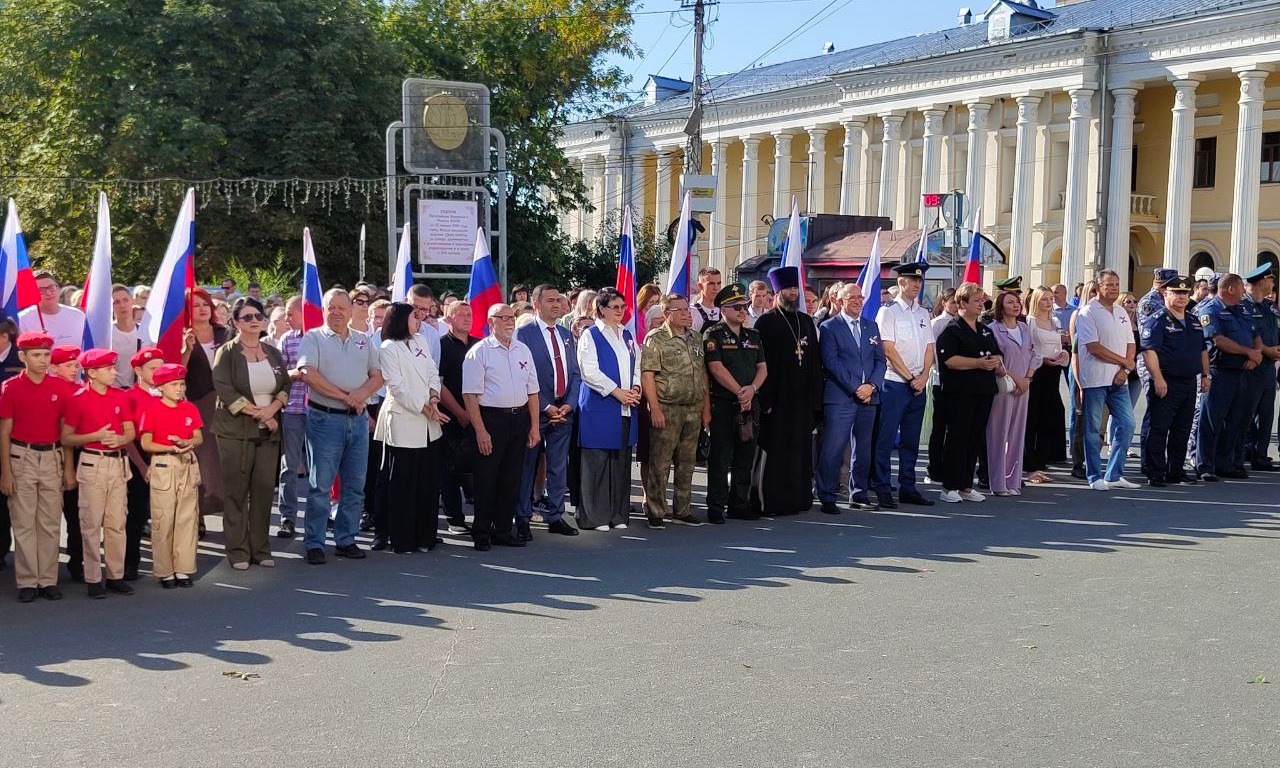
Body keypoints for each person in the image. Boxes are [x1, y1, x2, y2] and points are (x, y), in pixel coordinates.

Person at [297, 289, 385, 564]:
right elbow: (307, 374)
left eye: (341, 308)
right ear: (324, 310)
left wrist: (359, 396)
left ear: (350, 311)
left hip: (357, 420)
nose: (336, 312)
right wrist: (346, 396)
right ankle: (315, 542)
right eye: (330, 308)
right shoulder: (313, 338)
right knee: (321, 485)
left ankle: (346, 539)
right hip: (325, 418)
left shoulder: (363, 340)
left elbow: (378, 375)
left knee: (355, 485)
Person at [212, 298, 290, 570]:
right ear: (235, 323)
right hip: (235, 433)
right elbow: (225, 390)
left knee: (264, 490)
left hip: (269, 433)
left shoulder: (272, 351)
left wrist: (273, 410)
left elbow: (285, 386)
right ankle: (237, 550)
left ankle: (261, 548)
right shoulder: (226, 352)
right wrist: (261, 414)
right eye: (247, 317)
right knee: (236, 492)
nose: (254, 320)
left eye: (258, 315)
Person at [0, 333, 74, 601]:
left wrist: (68, 469)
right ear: (23, 357)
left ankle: (48, 579)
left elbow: (65, 430)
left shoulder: (60, 387)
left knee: (50, 522)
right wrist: (6, 472)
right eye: (37, 355)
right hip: (22, 457)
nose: (43, 360)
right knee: (23, 521)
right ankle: (28, 582)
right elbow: (4, 432)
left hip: (52, 456)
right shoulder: (11, 388)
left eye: (46, 355)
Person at [462, 303, 540, 550]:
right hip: (491, 420)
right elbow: (470, 395)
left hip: (519, 420)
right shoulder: (479, 352)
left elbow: (533, 392)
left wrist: (534, 426)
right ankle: (482, 531)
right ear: (490, 321)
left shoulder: (523, 350)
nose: (509, 322)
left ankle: (504, 529)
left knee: (511, 477)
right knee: (487, 478)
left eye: (511, 317)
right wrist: (480, 430)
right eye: (502, 318)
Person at [375, 302, 449, 553]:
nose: (418, 319)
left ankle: (425, 536)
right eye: (413, 316)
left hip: (430, 419)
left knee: (427, 482)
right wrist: (424, 407)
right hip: (405, 419)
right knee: (403, 483)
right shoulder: (388, 347)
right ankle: (402, 538)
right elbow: (396, 386)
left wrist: (434, 396)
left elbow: (431, 371)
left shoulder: (420, 341)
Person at [63, 349, 136, 599]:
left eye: (113, 368)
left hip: (118, 463)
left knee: (117, 523)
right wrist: (95, 437)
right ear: (91, 373)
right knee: (91, 523)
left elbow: (130, 431)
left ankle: (115, 576)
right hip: (93, 462)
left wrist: (121, 438)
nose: (114, 372)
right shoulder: (78, 398)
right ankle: (93, 578)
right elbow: (66, 437)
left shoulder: (121, 396)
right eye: (108, 369)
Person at [751, 266, 823, 516]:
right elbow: (760, 363)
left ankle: (799, 499)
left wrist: (816, 400)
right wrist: (766, 398)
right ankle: (770, 501)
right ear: (777, 292)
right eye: (789, 289)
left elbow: (814, 362)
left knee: (800, 451)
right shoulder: (765, 323)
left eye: (796, 288)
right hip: (777, 399)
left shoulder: (805, 321)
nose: (794, 293)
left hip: (802, 400)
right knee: (775, 450)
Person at [515, 285, 581, 539]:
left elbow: (575, 373)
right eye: (550, 300)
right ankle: (522, 517)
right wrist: (545, 405)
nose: (556, 304)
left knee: (557, 467)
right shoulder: (524, 334)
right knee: (527, 467)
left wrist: (569, 404)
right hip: (535, 410)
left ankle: (555, 515)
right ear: (537, 304)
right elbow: (522, 375)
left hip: (563, 411)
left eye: (559, 300)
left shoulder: (566, 334)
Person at [641, 293, 709, 528]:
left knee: (687, 461)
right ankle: (656, 511)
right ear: (666, 313)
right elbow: (648, 375)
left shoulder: (696, 338)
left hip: (692, 406)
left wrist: (705, 409)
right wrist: (655, 408)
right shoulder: (655, 338)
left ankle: (682, 509)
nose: (685, 313)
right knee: (660, 461)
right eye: (679, 310)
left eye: (686, 309)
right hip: (667, 407)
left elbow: (702, 374)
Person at [575, 288, 640, 531]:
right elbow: (589, 371)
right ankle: (595, 516)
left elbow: (637, 365)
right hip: (601, 405)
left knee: (621, 461)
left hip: (625, 405)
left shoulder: (627, 335)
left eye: (623, 307)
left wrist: (635, 387)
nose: (620, 311)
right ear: (601, 309)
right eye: (615, 307)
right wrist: (617, 391)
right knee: (598, 462)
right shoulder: (590, 335)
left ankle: (618, 514)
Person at [871, 262, 936, 508]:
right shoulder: (888, 311)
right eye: (912, 281)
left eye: (919, 281)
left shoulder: (922, 313)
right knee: (886, 439)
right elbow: (887, 348)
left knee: (911, 439)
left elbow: (929, 347)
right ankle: (883, 488)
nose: (917, 285)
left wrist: (923, 376)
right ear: (901, 283)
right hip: (896, 383)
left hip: (918, 384)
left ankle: (908, 486)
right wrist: (910, 377)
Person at [816, 283, 885, 513]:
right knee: (833, 448)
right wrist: (857, 388)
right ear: (840, 300)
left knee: (863, 450)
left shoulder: (871, 326)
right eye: (852, 297)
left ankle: (859, 494)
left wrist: (872, 386)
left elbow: (880, 361)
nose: (857, 301)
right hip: (841, 397)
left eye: (860, 297)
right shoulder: (829, 327)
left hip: (869, 398)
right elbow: (832, 363)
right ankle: (827, 495)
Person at [934, 282, 1003, 503]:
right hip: (959, 392)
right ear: (962, 303)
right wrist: (978, 363)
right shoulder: (952, 330)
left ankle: (965, 483)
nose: (981, 305)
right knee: (957, 437)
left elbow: (997, 353)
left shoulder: (985, 329)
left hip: (983, 390)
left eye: (981, 301)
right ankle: (949, 486)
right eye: (976, 301)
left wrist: (995, 361)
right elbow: (949, 360)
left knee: (975, 437)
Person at [703, 283, 767, 523]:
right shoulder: (714, 334)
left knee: (745, 455)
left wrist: (751, 390)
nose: (743, 310)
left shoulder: (753, 335)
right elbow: (716, 368)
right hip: (724, 403)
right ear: (724, 309)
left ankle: (739, 503)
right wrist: (740, 392)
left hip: (750, 404)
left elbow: (762, 368)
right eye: (738, 306)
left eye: (745, 306)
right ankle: (716, 505)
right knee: (720, 456)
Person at [138, 363, 204, 588]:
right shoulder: (152, 410)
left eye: (181, 384)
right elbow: (146, 442)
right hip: (164, 465)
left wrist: (188, 442)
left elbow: (198, 437)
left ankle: (184, 569)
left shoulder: (189, 408)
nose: (179, 388)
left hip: (187, 464)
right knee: (163, 519)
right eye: (174, 384)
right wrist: (169, 447)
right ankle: (165, 570)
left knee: (187, 518)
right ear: (162, 387)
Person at [1140, 277, 1209, 486]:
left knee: (1182, 428)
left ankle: (1175, 470)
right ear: (1165, 294)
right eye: (1176, 293)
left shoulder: (1193, 320)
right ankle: (1156, 471)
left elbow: (1202, 350)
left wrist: (1206, 375)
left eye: (1184, 293)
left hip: (1189, 381)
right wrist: (1158, 378)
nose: (1181, 297)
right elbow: (1149, 351)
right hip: (1166, 381)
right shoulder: (1158, 319)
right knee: (1159, 428)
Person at [1076, 269, 1139, 491]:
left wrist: (1125, 368)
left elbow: (1131, 342)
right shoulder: (1088, 312)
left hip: (1118, 379)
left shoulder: (1121, 311)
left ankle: (1114, 473)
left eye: (1116, 284)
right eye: (1109, 285)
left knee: (1128, 423)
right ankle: (1094, 475)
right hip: (1095, 379)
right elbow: (1093, 347)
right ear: (1098, 287)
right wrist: (1124, 360)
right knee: (1093, 430)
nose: (1113, 288)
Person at [1195, 273, 1260, 482]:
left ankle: (1227, 463)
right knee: (1212, 421)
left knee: (1237, 420)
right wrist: (1247, 352)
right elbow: (1218, 340)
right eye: (1242, 287)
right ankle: (1205, 464)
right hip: (1220, 371)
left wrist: (1256, 355)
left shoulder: (1243, 309)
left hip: (1242, 371)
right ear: (1231, 289)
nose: (1244, 290)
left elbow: (1255, 334)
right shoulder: (1210, 310)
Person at [181, 287, 228, 535]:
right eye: (195, 305)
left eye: (205, 304)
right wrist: (186, 349)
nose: (202, 308)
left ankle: (229, 515)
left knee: (223, 461)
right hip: (197, 404)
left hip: (227, 405)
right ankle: (196, 517)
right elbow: (176, 372)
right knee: (199, 461)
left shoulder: (225, 333)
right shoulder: (182, 335)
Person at [986, 291, 1039, 496]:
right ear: (1001, 307)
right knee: (999, 434)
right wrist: (1018, 379)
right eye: (1010, 302)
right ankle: (998, 483)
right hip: (1004, 386)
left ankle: (1013, 480)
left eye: (1017, 302)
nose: (1016, 305)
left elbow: (1034, 355)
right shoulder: (993, 330)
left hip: (1024, 386)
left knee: (1017, 433)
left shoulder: (1024, 328)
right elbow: (996, 361)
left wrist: (1028, 378)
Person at [122, 346, 166, 581]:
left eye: (161, 367)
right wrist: (141, 465)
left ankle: (167, 564)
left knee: (165, 513)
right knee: (136, 514)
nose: (158, 372)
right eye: (152, 368)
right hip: (138, 456)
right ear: (139, 371)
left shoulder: (170, 393)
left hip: (164, 454)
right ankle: (131, 563)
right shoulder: (129, 396)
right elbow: (128, 438)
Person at [438, 300, 477, 534]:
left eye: (469, 313)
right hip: (450, 417)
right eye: (460, 314)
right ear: (449, 318)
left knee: (474, 468)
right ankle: (455, 518)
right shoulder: (441, 345)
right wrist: (461, 413)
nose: (466, 317)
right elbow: (439, 384)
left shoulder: (478, 345)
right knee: (449, 469)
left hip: (477, 417)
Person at [1023, 286, 1069, 482]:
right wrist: (1042, 360)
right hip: (1036, 372)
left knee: (1049, 415)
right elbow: (1029, 349)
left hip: (1053, 371)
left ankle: (1042, 461)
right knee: (1031, 416)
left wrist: (1063, 354)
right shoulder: (1029, 322)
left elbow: (1058, 346)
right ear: (1036, 301)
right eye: (1044, 299)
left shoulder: (1055, 321)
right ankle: (1028, 462)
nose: (1049, 302)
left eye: (1051, 299)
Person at [275, 297, 307, 539]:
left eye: (290, 313)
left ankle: (324, 514)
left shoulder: (322, 337)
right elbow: (279, 374)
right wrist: (295, 373)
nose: (286, 318)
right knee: (290, 466)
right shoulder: (287, 339)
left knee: (323, 467)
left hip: (320, 409)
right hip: (294, 409)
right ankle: (288, 518)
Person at [1243, 265, 1280, 471]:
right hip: (1251, 367)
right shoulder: (1245, 306)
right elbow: (1245, 335)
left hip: (1267, 368)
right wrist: (1266, 350)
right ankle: (1240, 453)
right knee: (1246, 412)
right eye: (1271, 280)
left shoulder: (1268, 306)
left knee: (1266, 413)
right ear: (1262, 282)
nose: (1273, 284)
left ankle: (1260, 455)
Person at [19, 271, 86, 348]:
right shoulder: (23, 319)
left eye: (51, 288)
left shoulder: (78, 316)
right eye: (41, 290)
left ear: (58, 288)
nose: (48, 293)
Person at [111, 284, 141, 387]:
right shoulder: (107, 334)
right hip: (114, 392)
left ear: (132, 301)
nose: (122, 305)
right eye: (116, 302)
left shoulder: (144, 332)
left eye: (125, 300)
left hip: (139, 392)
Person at [689, 267, 723, 333]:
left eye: (719, 283)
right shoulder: (692, 311)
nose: (716, 288)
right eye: (711, 284)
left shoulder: (725, 311)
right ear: (700, 286)